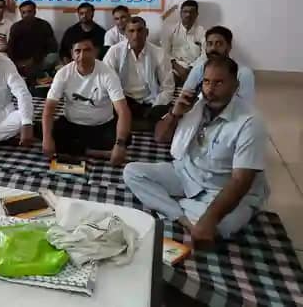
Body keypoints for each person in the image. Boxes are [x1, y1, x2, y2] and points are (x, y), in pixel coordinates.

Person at [123, 56, 269, 244]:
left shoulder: (250, 122)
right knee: (132, 172)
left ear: (235, 86)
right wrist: (175, 113)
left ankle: (175, 207)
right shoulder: (195, 105)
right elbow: (160, 137)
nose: (210, 89)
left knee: (218, 225)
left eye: (218, 83)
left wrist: (210, 218)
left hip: (219, 187)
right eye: (206, 82)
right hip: (187, 173)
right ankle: (183, 217)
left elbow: (240, 181)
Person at [42, 37, 131, 166]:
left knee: (124, 137)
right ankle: (99, 153)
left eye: (87, 50)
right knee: (44, 132)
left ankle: (79, 151)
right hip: (72, 125)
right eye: (78, 51)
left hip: (102, 126)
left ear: (95, 52)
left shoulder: (108, 74)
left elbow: (123, 111)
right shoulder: (63, 73)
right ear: (72, 54)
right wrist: (47, 138)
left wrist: (120, 144)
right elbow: (49, 108)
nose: (82, 55)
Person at [104, 17, 174, 128]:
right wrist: (119, 103)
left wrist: (155, 106)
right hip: (124, 100)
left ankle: (138, 121)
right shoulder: (114, 52)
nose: (136, 35)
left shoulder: (159, 53)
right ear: (125, 34)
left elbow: (168, 88)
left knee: (167, 113)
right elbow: (106, 82)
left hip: (150, 101)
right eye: (131, 31)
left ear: (147, 32)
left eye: (140, 30)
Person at [183, 26, 255, 103]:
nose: (213, 48)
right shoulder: (199, 68)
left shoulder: (243, 73)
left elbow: (244, 105)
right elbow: (185, 96)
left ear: (229, 47)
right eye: (210, 44)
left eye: (219, 44)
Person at [7, 0, 58, 81]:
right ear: (21, 14)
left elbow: (52, 47)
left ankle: (33, 75)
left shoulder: (44, 25)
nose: (26, 15)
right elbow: (10, 48)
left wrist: (34, 60)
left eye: (29, 12)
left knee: (53, 57)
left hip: (39, 59)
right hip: (21, 61)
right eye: (23, 12)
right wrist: (17, 63)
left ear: (34, 12)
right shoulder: (16, 27)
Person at [162, 0, 206, 84]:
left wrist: (192, 69)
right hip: (175, 67)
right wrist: (178, 68)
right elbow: (165, 53)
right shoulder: (170, 30)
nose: (188, 15)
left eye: (192, 12)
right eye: (185, 12)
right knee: (168, 78)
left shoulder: (202, 32)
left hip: (195, 68)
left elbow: (204, 55)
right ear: (180, 13)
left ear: (197, 14)